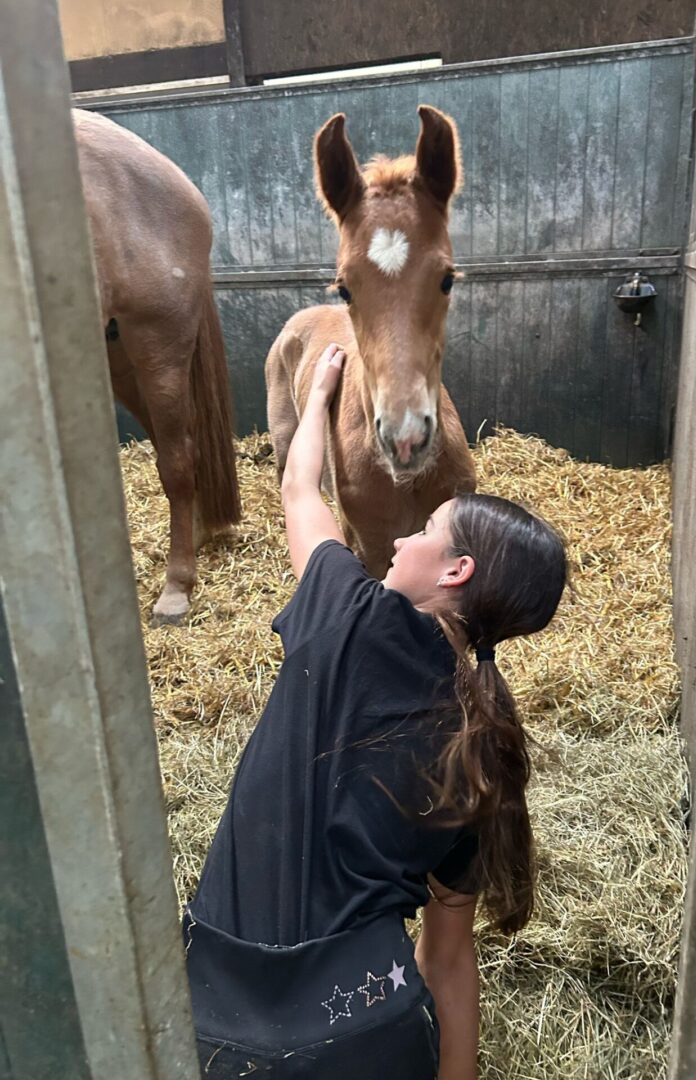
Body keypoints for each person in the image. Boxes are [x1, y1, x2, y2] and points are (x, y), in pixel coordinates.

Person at [183, 343, 567, 1079]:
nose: (401, 537)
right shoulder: (481, 742)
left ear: (456, 571)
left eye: (425, 530)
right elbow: (448, 960)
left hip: (215, 1021)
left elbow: (301, 489)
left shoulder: (344, 609)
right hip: (366, 1030)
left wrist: (320, 395)